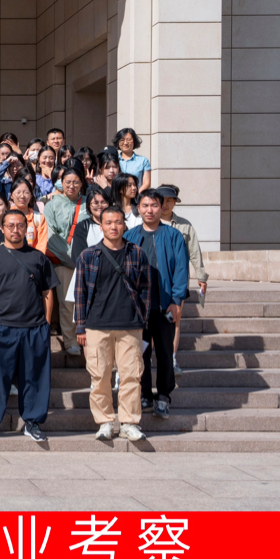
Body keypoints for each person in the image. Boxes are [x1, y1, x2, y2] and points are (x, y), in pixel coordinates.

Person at [0, 209, 61, 443]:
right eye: (10, 225)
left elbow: (47, 292)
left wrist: (46, 323)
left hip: (34, 328)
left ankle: (32, 422)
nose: (15, 229)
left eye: (20, 225)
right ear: (2, 228)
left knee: (35, 377)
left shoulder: (38, 258)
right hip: (0, 327)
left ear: (26, 228)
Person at [75, 207, 150, 442]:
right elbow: (80, 294)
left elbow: (146, 290)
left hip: (130, 324)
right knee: (99, 376)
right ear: (101, 226)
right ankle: (105, 422)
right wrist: (80, 327)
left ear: (124, 225)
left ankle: (129, 423)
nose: (113, 227)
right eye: (108, 223)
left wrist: (143, 320)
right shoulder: (88, 256)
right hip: (97, 325)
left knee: (131, 376)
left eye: (118, 222)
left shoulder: (137, 253)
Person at [125, 189, 189, 420]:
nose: (149, 210)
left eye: (154, 205)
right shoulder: (130, 236)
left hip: (164, 307)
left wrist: (176, 301)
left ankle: (163, 396)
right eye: (145, 205)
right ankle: (144, 394)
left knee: (164, 353)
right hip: (138, 308)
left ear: (161, 207)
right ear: (138, 208)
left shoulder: (173, 236)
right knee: (140, 353)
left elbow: (181, 270)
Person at [158, 183, 208, 377]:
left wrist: (201, 276)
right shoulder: (147, 223)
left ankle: (171, 358)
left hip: (177, 280)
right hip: (154, 279)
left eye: (169, 201)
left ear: (175, 203)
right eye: (162, 201)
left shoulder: (185, 226)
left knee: (175, 320)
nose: (165, 205)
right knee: (152, 320)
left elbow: (194, 252)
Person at [44, 162, 91, 356]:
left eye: (76, 182)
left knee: (89, 301)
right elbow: (51, 235)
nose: (71, 186)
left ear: (82, 183)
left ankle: (89, 338)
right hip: (64, 261)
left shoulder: (89, 203)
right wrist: (72, 259)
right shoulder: (52, 205)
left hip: (89, 262)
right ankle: (71, 340)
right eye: (68, 182)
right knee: (67, 303)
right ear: (61, 183)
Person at [71, 187, 111, 261]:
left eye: (103, 202)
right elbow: (78, 255)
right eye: (96, 203)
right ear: (89, 205)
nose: (100, 206)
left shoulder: (116, 225)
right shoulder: (82, 226)